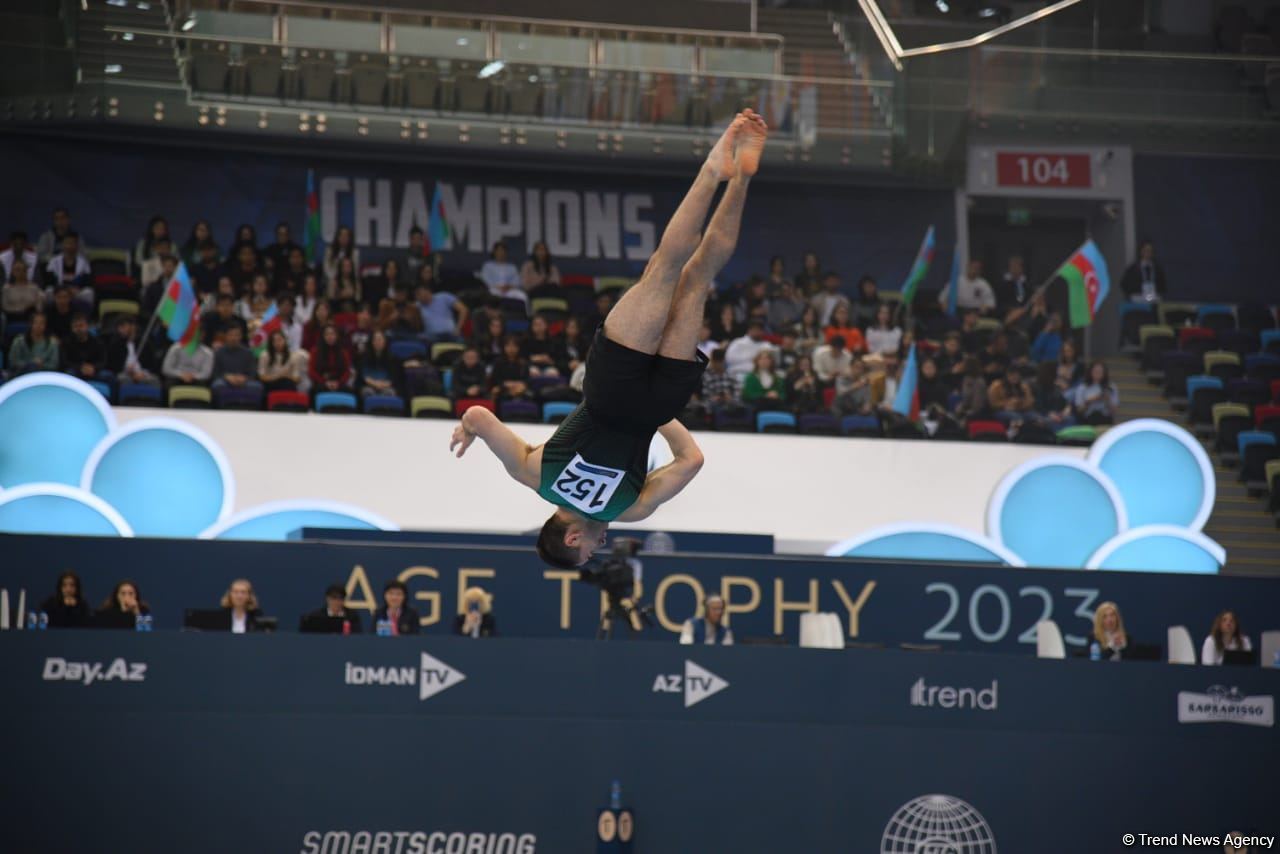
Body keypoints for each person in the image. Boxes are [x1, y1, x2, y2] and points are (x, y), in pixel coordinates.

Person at [451, 111, 767, 568]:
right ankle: (715, 169)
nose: (600, 547)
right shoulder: (534, 474)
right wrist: (466, 429)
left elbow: (691, 460)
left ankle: (740, 181)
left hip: (655, 404)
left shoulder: (631, 508)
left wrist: (655, 417)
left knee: (699, 279)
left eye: (589, 550)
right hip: (609, 388)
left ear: (573, 537)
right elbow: (480, 415)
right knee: (664, 270)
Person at [211, 325, 262, 393]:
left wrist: (244, 378)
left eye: (236, 335)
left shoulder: (248, 353)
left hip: (244, 380)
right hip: (225, 380)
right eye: (231, 335)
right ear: (226, 336)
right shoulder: (219, 353)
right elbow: (215, 373)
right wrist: (227, 377)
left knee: (257, 387)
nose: (233, 338)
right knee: (218, 385)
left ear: (241, 336)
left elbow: (252, 373)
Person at [724, 319, 776, 384]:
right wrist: (751, 357)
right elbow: (728, 359)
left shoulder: (767, 346)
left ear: (762, 331)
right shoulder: (738, 343)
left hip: (758, 377)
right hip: (738, 374)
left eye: (759, 330)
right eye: (754, 329)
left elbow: (772, 364)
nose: (756, 332)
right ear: (749, 330)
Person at [416, 278, 467, 342]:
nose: (418, 297)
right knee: (418, 337)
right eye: (417, 295)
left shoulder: (444, 296)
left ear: (428, 291)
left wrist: (458, 328)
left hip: (451, 333)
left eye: (419, 294)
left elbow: (463, 310)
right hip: (431, 336)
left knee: (461, 342)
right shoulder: (417, 305)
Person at [309, 323, 353, 395]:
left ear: (337, 336)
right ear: (323, 336)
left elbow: (347, 372)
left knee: (350, 391)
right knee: (316, 390)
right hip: (322, 382)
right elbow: (312, 371)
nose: (330, 336)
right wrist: (324, 382)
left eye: (332, 334)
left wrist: (338, 383)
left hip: (339, 382)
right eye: (327, 334)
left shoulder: (343, 352)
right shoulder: (315, 351)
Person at [1073, 360, 1119, 425]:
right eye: (1095, 371)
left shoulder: (1111, 386)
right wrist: (1089, 401)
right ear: (1090, 372)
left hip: (1105, 418)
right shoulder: (1082, 387)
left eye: (1100, 371)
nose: (1097, 373)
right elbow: (1079, 410)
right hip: (1088, 418)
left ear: (1104, 373)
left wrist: (1107, 400)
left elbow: (1114, 411)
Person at [61, 313, 105, 381]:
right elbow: (65, 362)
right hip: (76, 371)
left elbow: (103, 360)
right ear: (72, 328)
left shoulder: (97, 341)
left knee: (109, 376)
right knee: (69, 373)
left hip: (94, 371)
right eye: (75, 326)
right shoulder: (67, 342)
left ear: (87, 326)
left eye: (81, 326)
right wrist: (80, 367)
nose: (78, 329)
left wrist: (94, 368)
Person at [481, 242, 525, 307]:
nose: (501, 253)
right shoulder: (488, 266)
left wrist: (508, 287)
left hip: (509, 290)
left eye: (503, 251)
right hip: (494, 289)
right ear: (494, 252)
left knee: (522, 296)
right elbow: (485, 280)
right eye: (499, 250)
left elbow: (517, 281)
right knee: (493, 294)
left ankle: (526, 316)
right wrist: (498, 287)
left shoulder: (512, 267)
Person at [357, 329, 398, 398]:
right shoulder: (364, 357)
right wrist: (375, 384)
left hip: (386, 386)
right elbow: (363, 375)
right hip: (368, 385)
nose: (378, 342)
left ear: (385, 341)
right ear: (372, 342)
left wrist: (383, 385)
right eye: (375, 340)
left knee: (390, 393)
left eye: (380, 339)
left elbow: (394, 377)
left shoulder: (393, 358)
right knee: (367, 392)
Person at [489, 336, 532, 401]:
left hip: (519, 388)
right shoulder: (498, 362)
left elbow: (526, 379)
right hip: (503, 388)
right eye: (508, 346)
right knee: (495, 391)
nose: (511, 349)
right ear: (504, 347)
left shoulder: (523, 363)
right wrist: (505, 384)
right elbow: (494, 379)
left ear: (518, 348)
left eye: (514, 346)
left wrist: (519, 385)